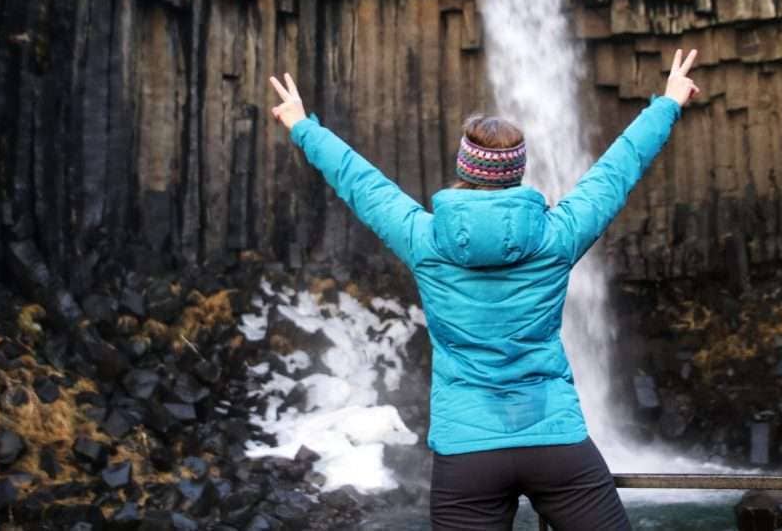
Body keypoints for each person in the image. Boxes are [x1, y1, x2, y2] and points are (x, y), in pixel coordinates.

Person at [268, 48, 700, 530]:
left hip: (467, 453)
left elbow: (361, 183)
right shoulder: (557, 236)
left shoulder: (424, 239)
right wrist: (667, 103)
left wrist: (302, 126)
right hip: (554, 442)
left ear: (464, 168)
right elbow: (615, 173)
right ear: (518, 171)